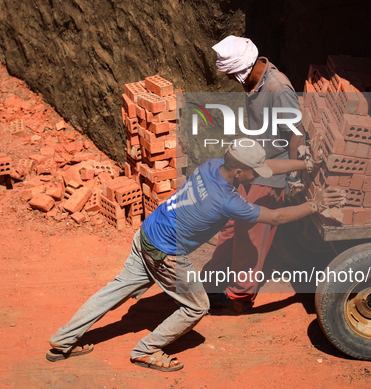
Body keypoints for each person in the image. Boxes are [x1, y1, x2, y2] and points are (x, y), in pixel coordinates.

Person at [46, 139, 343, 372]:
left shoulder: (213, 166)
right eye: (253, 173)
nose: (257, 177)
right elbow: (276, 218)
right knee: (196, 307)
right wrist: (316, 205)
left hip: (147, 234)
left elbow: (265, 167)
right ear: (239, 172)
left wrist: (306, 164)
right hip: (167, 255)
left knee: (113, 292)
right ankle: (147, 350)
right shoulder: (227, 201)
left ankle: (62, 340)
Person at [203, 35, 307, 313]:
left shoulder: (277, 87)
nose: (229, 81)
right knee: (229, 227)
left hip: (269, 174)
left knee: (252, 236)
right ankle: (212, 279)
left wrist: (293, 176)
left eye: (230, 75)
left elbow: (296, 133)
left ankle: (239, 295)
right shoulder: (254, 82)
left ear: (243, 67)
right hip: (248, 169)